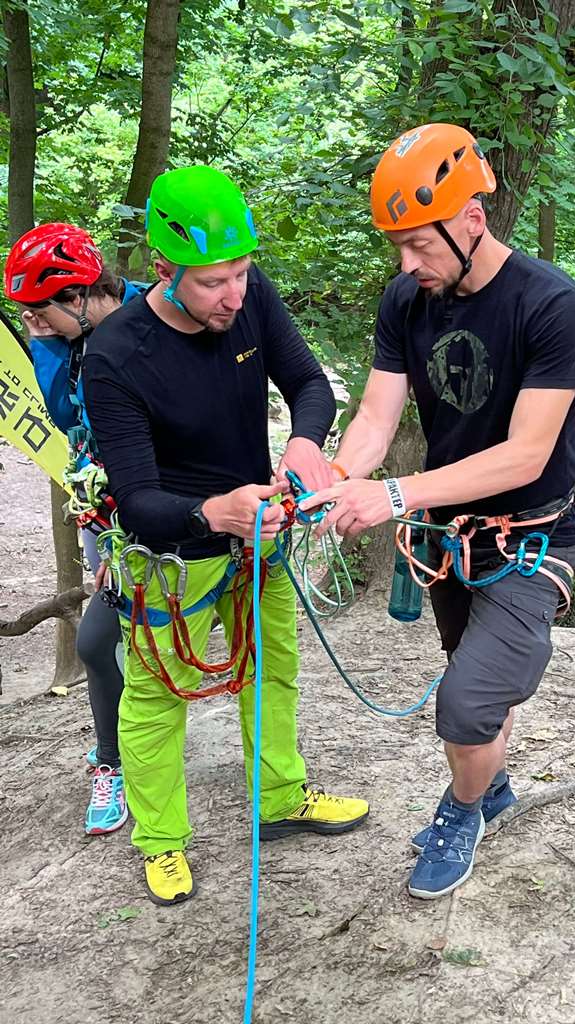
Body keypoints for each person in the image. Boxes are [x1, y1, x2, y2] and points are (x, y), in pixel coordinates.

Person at [301, 123, 575, 900]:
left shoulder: (551, 305)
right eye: (396, 245)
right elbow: (375, 415)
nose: (406, 263)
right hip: (449, 536)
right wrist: (330, 480)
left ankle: (462, 808)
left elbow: (527, 453)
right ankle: (490, 787)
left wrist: (393, 495)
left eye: (418, 243)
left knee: (464, 705)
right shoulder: (406, 300)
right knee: (472, 681)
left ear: (471, 219)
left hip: (533, 537)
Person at [81, 165, 369, 906]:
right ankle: (162, 842)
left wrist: (307, 442)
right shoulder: (115, 355)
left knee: (274, 670)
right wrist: (214, 513)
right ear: (163, 269)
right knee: (155, 697)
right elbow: (137, 499)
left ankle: (279, 798)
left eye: (241, 272)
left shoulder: (252, 301)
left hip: (258, 535)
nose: (234, 295)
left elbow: (308, 383)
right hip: (171, 555)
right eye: (213, 281)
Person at [3, 224, 146, 836]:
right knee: (103, 644)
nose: (33, 325)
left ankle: (130, 756)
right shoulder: (66, 339)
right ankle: (113, 762)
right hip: (101, 509)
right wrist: (50, 344)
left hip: (154, 508)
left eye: (41, 315)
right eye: (25, 317)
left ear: (82, 295)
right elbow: (64, 416)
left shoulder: (153, 320)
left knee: (104, 641)